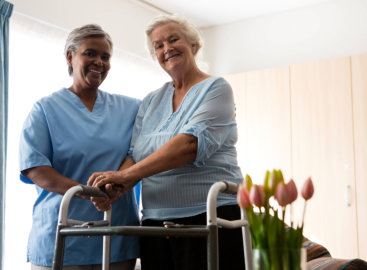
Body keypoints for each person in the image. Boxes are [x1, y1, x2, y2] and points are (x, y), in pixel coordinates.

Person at [88, 15, 245, 270]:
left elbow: (189, 145)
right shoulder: (151, 101)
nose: (166, 48)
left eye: (174, 39)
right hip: (155, 223)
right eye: (158, 46)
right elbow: (134, 154)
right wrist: (116, 187)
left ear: (193, 45)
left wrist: (125, 177)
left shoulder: (216, 88)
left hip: (210, 216)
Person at [19, 24, 140, 270]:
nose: (99, 62)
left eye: (105, 57)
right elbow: (36, 168)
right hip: (62, 237)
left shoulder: (131, 109)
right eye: (90, 53)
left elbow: (139, 153)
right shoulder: (45, 109)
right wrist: (89, 192)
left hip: (116, 237)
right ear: (70, 56)